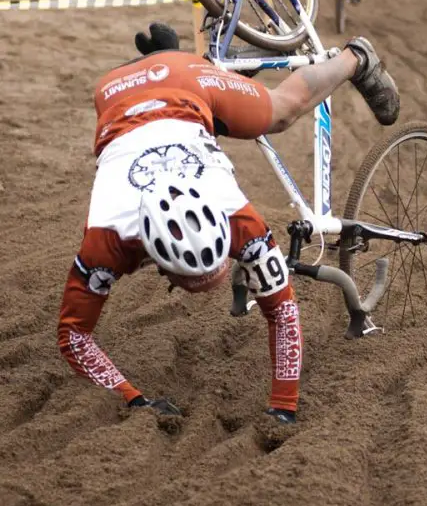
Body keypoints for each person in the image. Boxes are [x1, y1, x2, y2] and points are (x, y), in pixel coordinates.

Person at [57, 22, 399, 425]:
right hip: (124, 94)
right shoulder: (108, 236)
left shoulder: (237, 216)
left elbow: (283, 310)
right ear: (152, 256)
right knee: (201, 97)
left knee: (284, 110)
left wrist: (284, 407)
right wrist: (135, 401)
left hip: (173, 87)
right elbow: (72, 337)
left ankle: (354, 57)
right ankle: (174, 60)